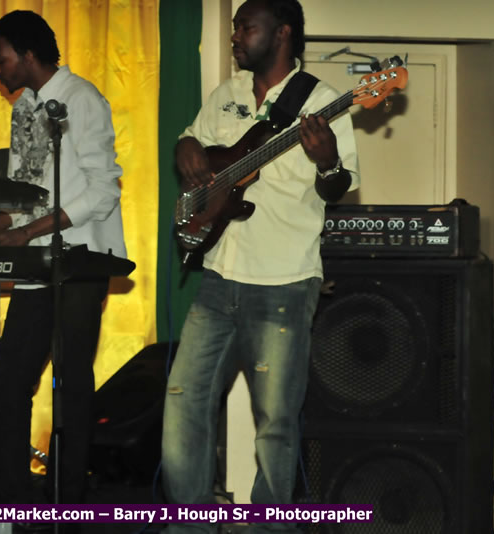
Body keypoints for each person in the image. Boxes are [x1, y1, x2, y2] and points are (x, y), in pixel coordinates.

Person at [161, 1, 359, 532]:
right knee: (183, 404)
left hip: (283, 282)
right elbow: (193, 141)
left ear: (282, 34)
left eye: (246, 28)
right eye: (234, 28)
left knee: (275, 423)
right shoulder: (225, 93)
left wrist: (327, 161)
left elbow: (338, 187)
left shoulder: (319, 101)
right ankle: (189, 524)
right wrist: (186, 147)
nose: (236, 37)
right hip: (218, 273)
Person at [0, 10, 125, 508]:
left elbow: (103, 191)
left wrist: (27, 234)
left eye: (1, 59)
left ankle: (67, 500)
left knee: (70, 384)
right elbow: (25, 193)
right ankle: (10, 499)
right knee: (9, 383)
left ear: (29, 53)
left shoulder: (82, 99)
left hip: (80, 261)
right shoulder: (24, 108)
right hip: (36, 264)